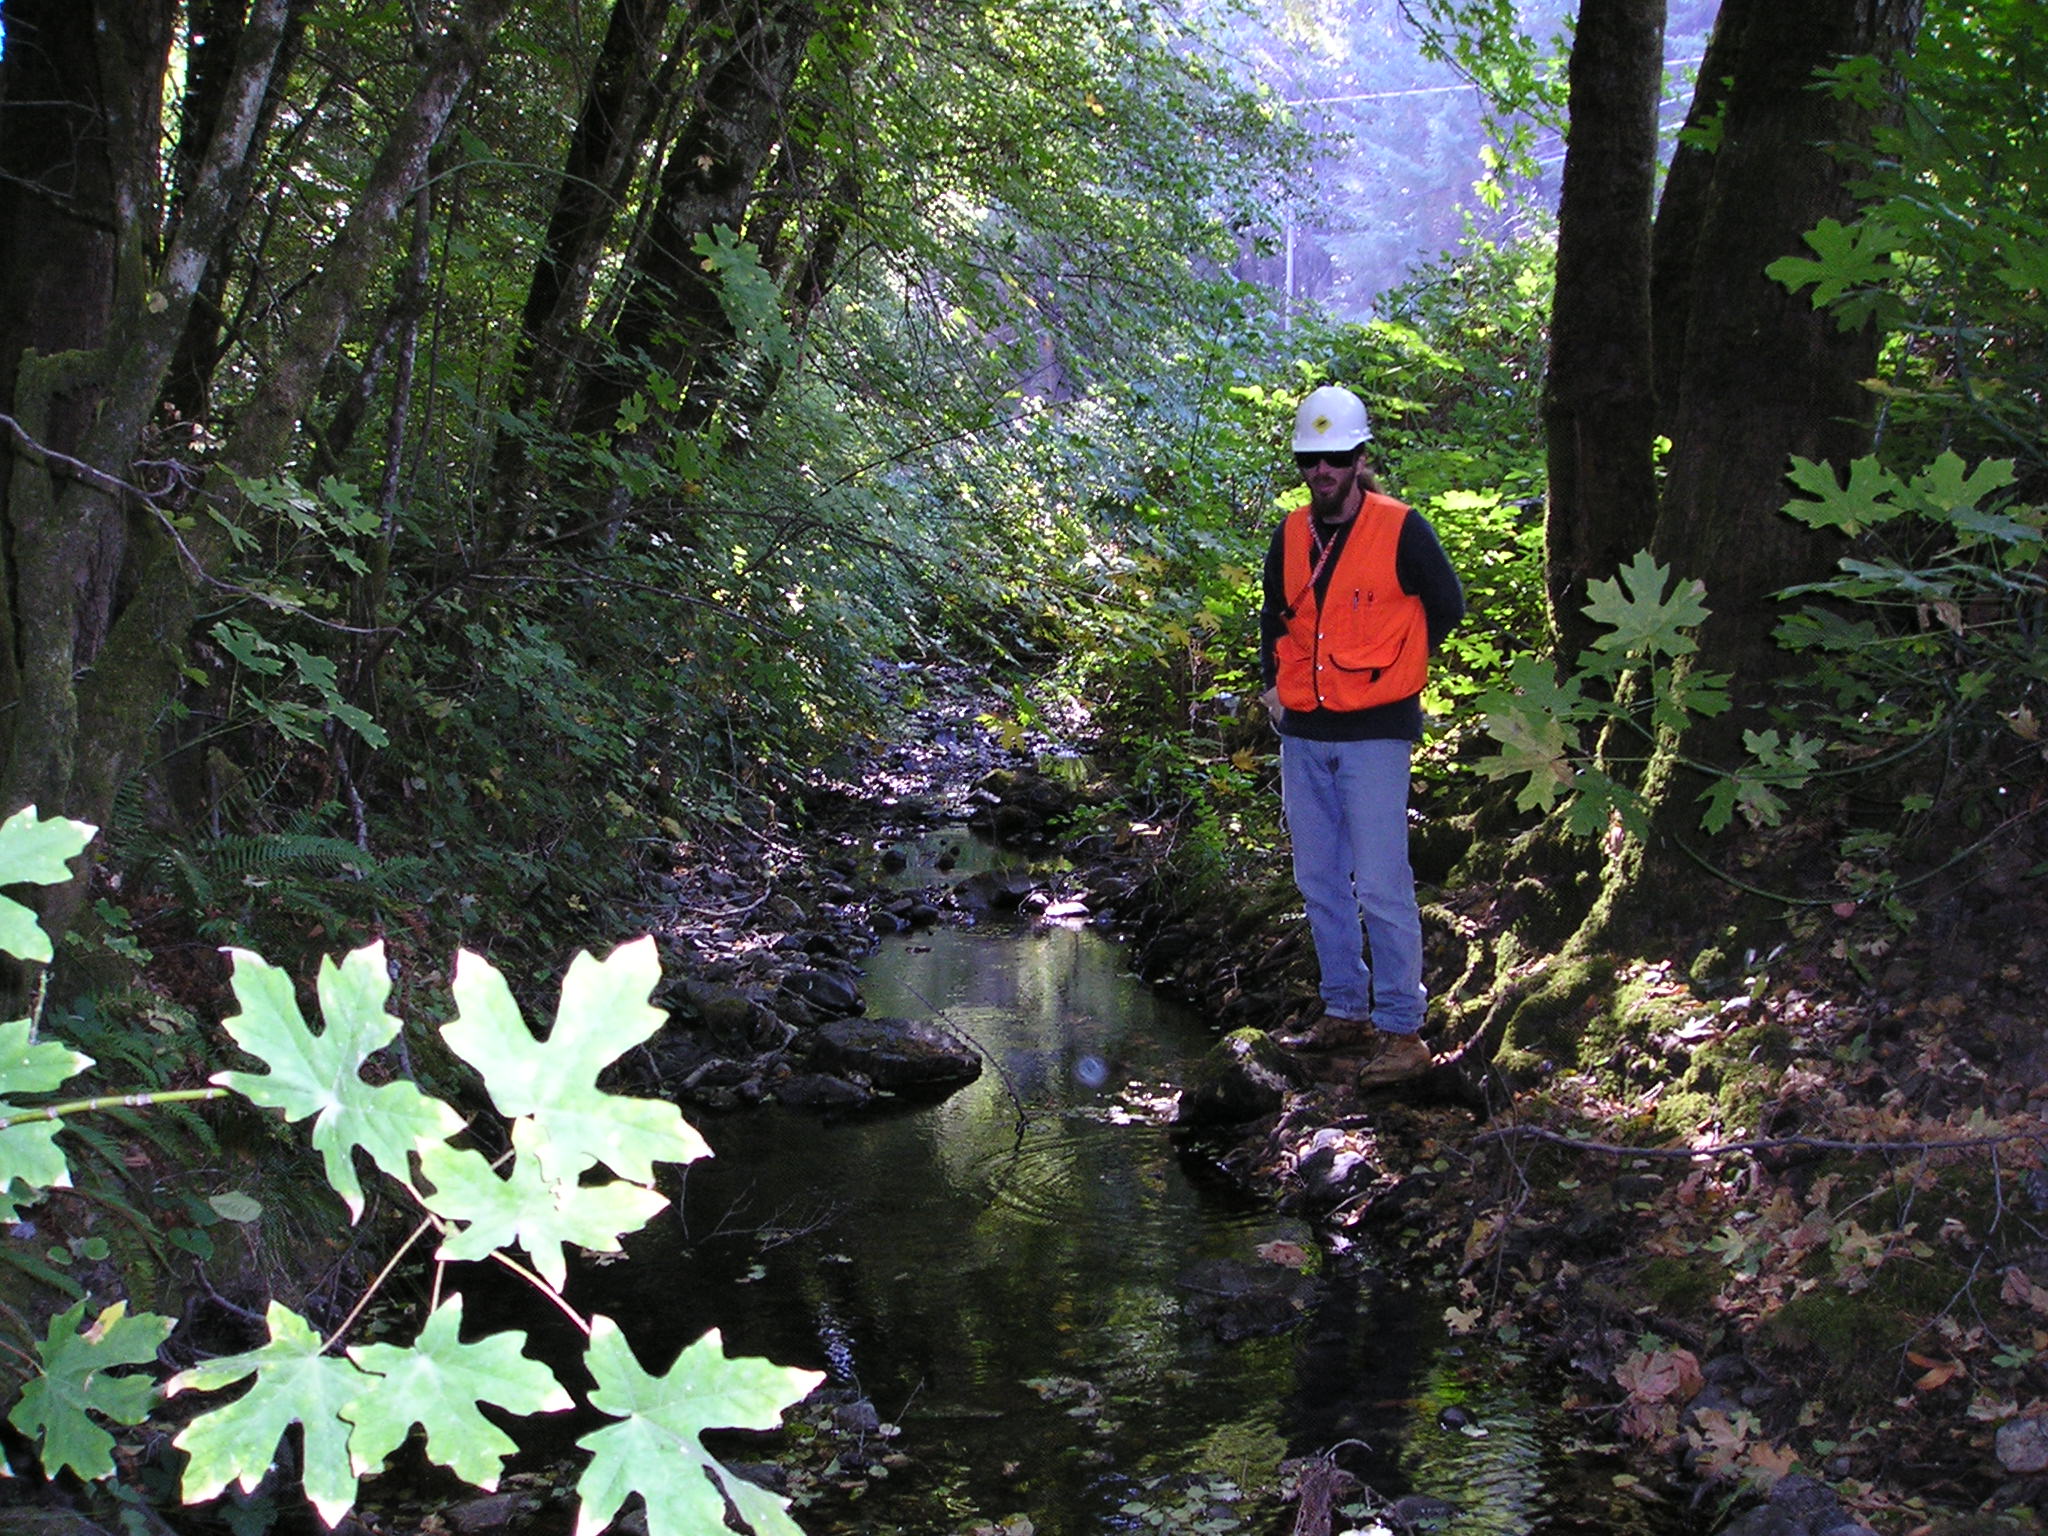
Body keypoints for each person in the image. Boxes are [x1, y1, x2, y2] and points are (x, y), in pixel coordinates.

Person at [1258, 384, 1464, 1087]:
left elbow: (1447, 606)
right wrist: (1272, 687)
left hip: (1376, 734)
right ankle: (1344, 1008)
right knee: (1319, 880)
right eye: (1310, 459)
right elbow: (1273, 616)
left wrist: (1396, 666)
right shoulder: (1290, 533)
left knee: (1381, 884)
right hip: (1303, 732)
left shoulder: (1401, 528)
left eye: (1337, 457)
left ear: (1360, 457)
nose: (1323, 471)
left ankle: (1402, 1029)